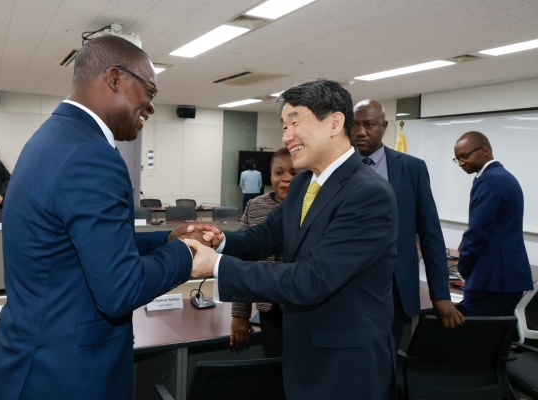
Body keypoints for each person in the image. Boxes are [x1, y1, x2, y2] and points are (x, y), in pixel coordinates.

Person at [0, 36, 222, 400]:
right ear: (115, 78)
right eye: (149, 92)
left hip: (27, 361)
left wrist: (167, 240)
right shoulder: (91, 156)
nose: (151, 107)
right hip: (64, 376)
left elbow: (82, 246)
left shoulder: (50, 138)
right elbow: (119, 290)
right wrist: (187, 255)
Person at [186, 79, 399, 399]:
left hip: (345, 366)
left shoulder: (369, 194)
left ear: (335, 123)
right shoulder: (304, 186)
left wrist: (217, 266)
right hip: (302, 353)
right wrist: (220, 242)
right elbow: (266, 236)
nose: (287, 135)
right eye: (284, 126)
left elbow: (314, 279)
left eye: (296, 122)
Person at [351, 100, 464, 347]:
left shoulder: (412, 168)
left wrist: (440, 294)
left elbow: (431, 233)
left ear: (384, 126)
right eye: (354, 125)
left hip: (396, 283)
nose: (360, 132)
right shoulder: (333, 168)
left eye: (369, 124)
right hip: (346, 282)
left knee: (388, 353)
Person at [453, 131, 533, 316]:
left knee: (478, 340)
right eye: (457, 159)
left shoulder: (490, 180)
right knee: (495, 339)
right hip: (504, 278)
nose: (460, 164)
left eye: (465, 157)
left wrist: (463, 268)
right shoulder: (503, 176)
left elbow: (477, 234)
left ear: (484, 150)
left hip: (491, 280)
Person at [231, 147, 296, 357]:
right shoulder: (255, 206)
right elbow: (242, 263)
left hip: (303, 308)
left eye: (294, 173)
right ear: (270, 176)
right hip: (269, 310)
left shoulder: (316, 208)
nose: (286, 178)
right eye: (279, 173)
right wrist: (240, 314)